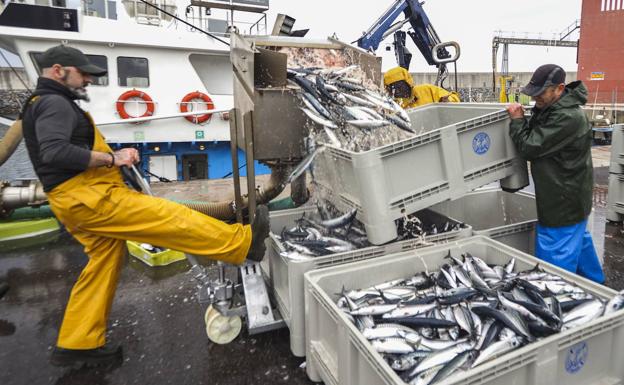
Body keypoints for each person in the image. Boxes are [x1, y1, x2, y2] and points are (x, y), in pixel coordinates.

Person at [20, 45, 270, 367]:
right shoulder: (54, 104)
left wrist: (114, 160)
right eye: (82, 73)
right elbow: (54, 152)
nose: (87, 80)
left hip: (73, 199)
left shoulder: (43, 104)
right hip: (89, 198)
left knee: (103, 264)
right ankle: (241, 243)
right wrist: (113, 158)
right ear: (58, 70)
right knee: (169, 217)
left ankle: (77, 341)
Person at [506, 64, 604, 284]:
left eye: (541, 93)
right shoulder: (554, 108)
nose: (535, 98)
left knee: (553, 263)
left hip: (562, 201)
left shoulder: (567, 117)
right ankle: (598, 287)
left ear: (559, 89)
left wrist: (518, 121)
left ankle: (557, 307)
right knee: (579, 240)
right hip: (572, 195)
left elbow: (530, 146)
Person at [383, 66, 460, 109]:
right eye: (393, 88)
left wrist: (448, 102)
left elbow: (454, 98)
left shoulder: (427, 90)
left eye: (400, 86)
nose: (398, 91)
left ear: (407, 82)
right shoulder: (391, 107)